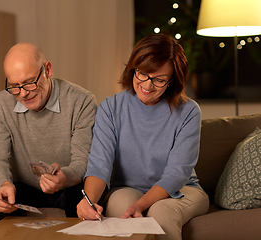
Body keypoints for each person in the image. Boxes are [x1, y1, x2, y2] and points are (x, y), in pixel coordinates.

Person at [76, 34, 209, 240]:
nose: (147, 85)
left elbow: (176, 173)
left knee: (161, 212)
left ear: (173, 80)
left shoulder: (189, 111)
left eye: (159, 79)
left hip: (182, 190)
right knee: (122, 206)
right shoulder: (111, 108)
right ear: (133, 69)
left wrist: (141, 204)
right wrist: (89, 200)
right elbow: (99, 164)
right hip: (128, 189)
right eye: (143, 74)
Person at [0, 43, 97, 226]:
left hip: (68, 186)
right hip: (23, 188)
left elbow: (83, 162)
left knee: (81, 193)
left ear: (48, 70)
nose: (23, 93)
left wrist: (64, 176)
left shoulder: (82, 101)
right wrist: (4, 185)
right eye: (14, 86)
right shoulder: (0, 105)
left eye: (29, 82)